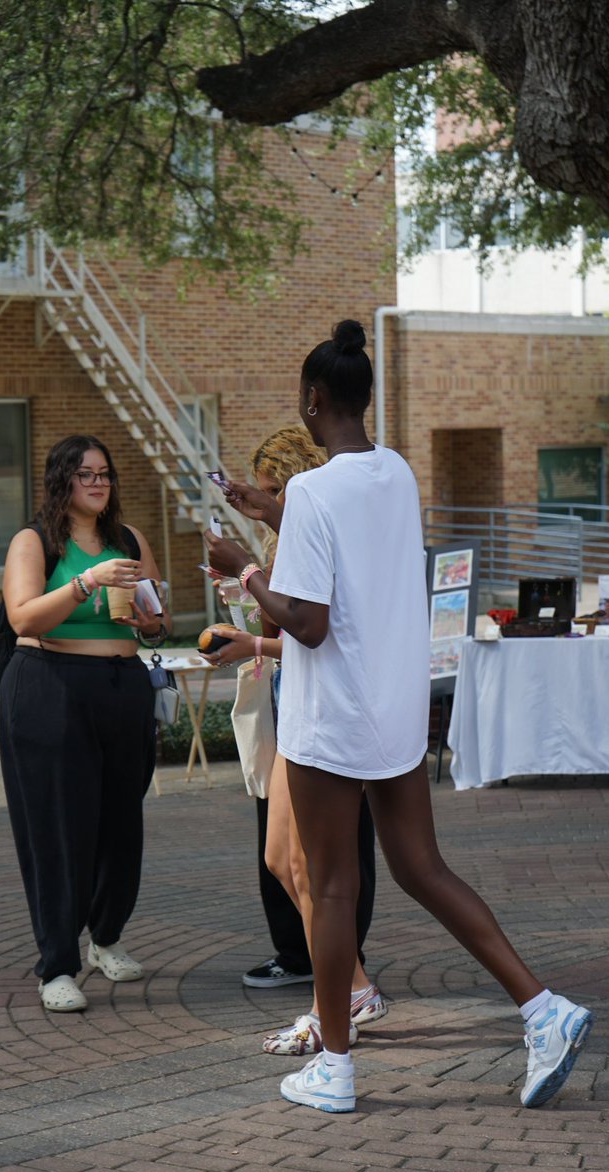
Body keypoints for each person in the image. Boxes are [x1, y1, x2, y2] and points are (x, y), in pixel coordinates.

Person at [206, 320, 594, 1113]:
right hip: (392, 711)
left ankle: (335, 1070)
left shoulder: (315, 488)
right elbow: (348, 550)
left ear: (312, 402)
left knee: (333, 887)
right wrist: (272, 513)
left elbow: (307, 624)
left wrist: (243, 571)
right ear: (364, 400)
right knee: (423, 869)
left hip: (330, 719)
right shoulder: (394, 474)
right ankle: (542, 1008)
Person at [202, 425, 386, 1054]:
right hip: (297, 704)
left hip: (322, 708)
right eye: (262, 490)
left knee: (314, 862)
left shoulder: (321, 521)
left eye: (276, 487)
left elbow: (316, 631)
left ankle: (329, 1006)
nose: (267, 498)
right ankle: (353, 988)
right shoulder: (297, 524)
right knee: (283, 858)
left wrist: (250, 605)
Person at [0, 434, 171, 1013]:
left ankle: (106, 938)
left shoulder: (128, 540)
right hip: (51, 686)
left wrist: (150, 618)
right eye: (85, 474)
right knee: (58, 831)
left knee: (121, 826)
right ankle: (56, 965)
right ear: (63, 480)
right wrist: (86, 582)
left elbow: (154, 623)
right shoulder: (35, 541)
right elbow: (25, 616)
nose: (98, 483)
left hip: (122, 691)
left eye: (105, 474)